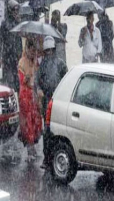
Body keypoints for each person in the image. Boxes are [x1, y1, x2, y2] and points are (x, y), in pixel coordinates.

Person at [36, 36, 68, 168]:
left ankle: (55, 156)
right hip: (46, 101)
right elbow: (37, 81)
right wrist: (39, 90)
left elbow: (67, 78)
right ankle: (46, 158)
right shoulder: (42, 65)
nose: (49, 53)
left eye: (50, 50)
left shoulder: (60, 63)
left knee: (58, 130)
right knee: (47, 130)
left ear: (54, 50)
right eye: (46, 51)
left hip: (58, 100)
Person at [18, 39, 42, 162]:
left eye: (34, 51)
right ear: (27, 49)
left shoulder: (35, 62)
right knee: (27, 123)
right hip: (25, 95)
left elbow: (37, 78)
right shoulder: (22, 62)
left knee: (35, 121)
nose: (33, 53)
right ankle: (29, 149)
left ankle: (33, 147)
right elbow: (22, 81)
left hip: (33, 95)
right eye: (31, 51)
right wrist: (27, 78)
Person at [0, 0, 23, 92]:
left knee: (16, 80)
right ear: (10, 11)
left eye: (17, 10)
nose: (16, 12)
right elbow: (1, 40)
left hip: (16, 56)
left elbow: (19, 40)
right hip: (8, 56)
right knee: (9, 80)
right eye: (14, 10)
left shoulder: (18, 23)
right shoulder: (5, 24)